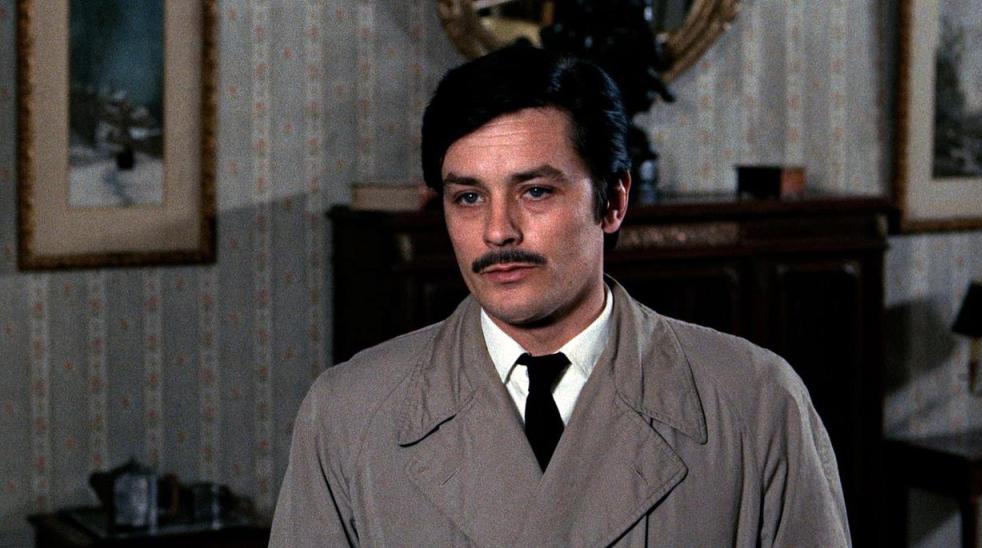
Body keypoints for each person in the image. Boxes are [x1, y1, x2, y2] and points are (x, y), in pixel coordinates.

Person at [270, 45, 850, 546]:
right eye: (469, 198)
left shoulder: (756, 403)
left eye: (536, 191)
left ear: (613, 201)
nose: (498, 232)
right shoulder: (347, 414)